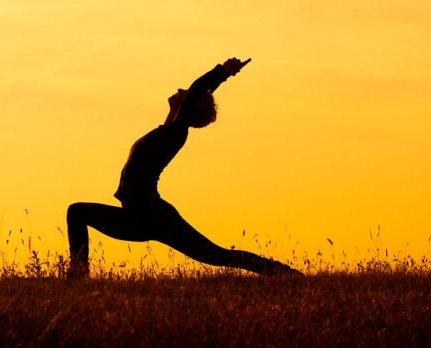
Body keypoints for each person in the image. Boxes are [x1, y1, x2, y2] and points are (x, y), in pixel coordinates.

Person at [67, 57, 301, 277]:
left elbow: (198, 88)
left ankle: (285, 274)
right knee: (77, 212)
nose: (181, 90)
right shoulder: (169, 130)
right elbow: (191, 99)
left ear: (190, 107)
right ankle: (78, 277)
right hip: (136, 215)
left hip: (152, 214)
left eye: (187, 95)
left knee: (216, 256)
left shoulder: (176, 133)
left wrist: (223, 72)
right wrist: (180, 106)